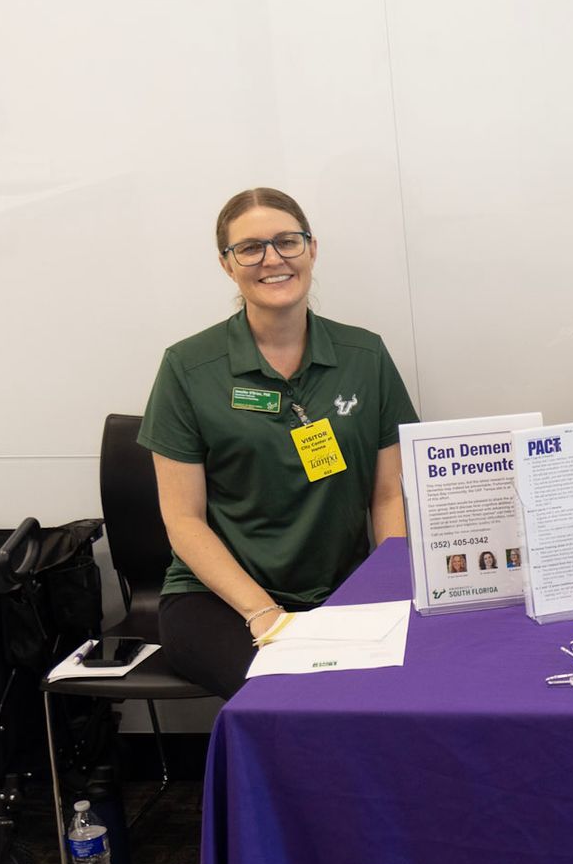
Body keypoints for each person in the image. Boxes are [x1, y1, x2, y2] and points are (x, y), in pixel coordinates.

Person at [138, 188, 418, 698]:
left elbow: (388, 494)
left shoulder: (365, 355)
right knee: (292, 694)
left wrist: (388, 588)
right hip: (218, 601)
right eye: (250, 248)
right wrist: (264, 614)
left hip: (343, 590)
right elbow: (183, 520)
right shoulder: (187, 368)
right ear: (227, 264)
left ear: (312, 249)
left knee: (395, 689)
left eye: (287, 241)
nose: (272, 259)